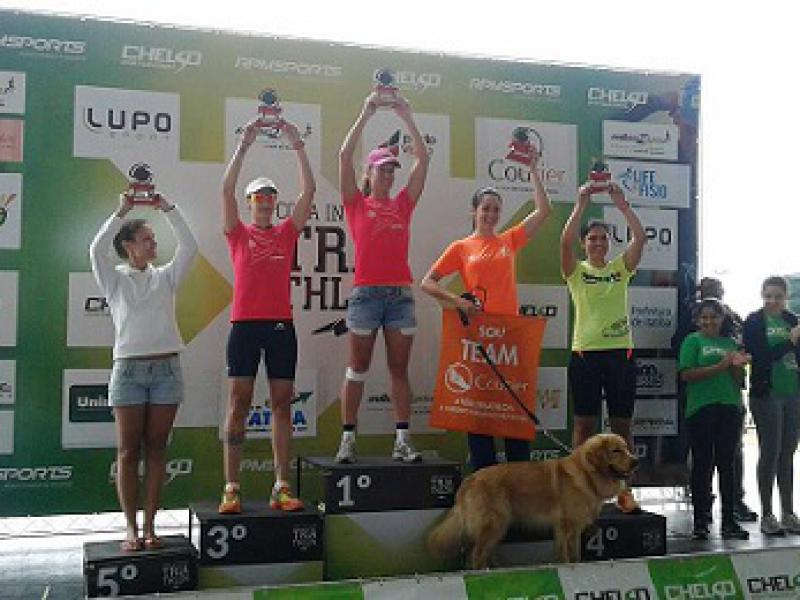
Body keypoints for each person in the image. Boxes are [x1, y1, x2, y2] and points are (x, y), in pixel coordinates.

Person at [421, 149, 552, 471]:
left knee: (513, 411)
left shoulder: (509, 240)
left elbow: (544, 211)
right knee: (480, 414)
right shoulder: (461, 247)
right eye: (486, 208)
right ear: (474, 211)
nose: (491, 214)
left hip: (510, 338)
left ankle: (520, 484)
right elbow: (427, 282)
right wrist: (459, 302)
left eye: (496, 209)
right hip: (478, 338)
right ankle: (484, 481)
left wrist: (533, 170)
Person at [89, 192, 198, 551]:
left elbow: (190, 246)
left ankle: (150, 527)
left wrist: (167, 208)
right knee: (127, 452)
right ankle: (131, 529)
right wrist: (121, 211)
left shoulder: (165, 277)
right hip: (128, 372)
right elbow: (96, 249)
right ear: (128, 246)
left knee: (156, 450)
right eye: (146, 239)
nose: (154, 244)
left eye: (153, 239)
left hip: (167, 370)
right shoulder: (114, 279)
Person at [218, 119, 315, 514]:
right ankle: (231, 487)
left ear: (275, 203)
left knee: (281, 403)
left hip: (280, 326)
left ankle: (281, 486)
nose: (264, 202)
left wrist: (297, 144)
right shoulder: (237, 233)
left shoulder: (286, 233)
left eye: (270, 197)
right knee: (238, 403)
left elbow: (309, 190)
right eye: (258, 197)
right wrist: (243, 145)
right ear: (249, 202)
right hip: (244, 326)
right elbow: (225, 189)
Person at [334, 91, 430, 464]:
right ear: (370, 173)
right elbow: (344, 156)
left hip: (400, 297)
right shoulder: (356, 203)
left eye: (392, 170)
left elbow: (423, 159)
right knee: (357, 368)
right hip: (366, 297)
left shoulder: (403, 204)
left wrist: (407, 117)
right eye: (383, 169)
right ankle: (347, 440)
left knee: (398, 370)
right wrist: (366, 111)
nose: (389, 175)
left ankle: (402, 441)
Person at [560, 180, 646, 511]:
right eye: (592, 238)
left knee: (622, 427)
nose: (597, 243)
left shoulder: (619, 269)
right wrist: (581, 203)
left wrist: (621, 205)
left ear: (609, 243)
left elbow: (640, 238)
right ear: (584, 244)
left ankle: (625, 494)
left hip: (620, 354)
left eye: (602, 238)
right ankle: (577, 493)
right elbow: (564, 242)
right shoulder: (576, 271)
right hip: (585, 354)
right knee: (584, 426)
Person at [671, 276, 756, 523]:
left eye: (717, 291)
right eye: (708, 290)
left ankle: (732, 512)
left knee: (730, 461)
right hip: (700, 405)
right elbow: (685, 371)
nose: (710, 321)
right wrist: (721, 365)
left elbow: (739, 377)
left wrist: (738, 364)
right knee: (702, 461)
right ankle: (702, 514)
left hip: (730, 405)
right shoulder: (690, 333)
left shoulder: (732, 331)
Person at [743, 276, 800, 536]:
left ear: (786, 297)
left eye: (778, 296)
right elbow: (761, 356)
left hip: (793, 392)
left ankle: (788, 512)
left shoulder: (792, 320)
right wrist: (790, 341)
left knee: (788, 452)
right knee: (770, 452)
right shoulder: (755, 321)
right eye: (768, 296)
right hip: (767, 394)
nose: (772, 301)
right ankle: (767, 514)